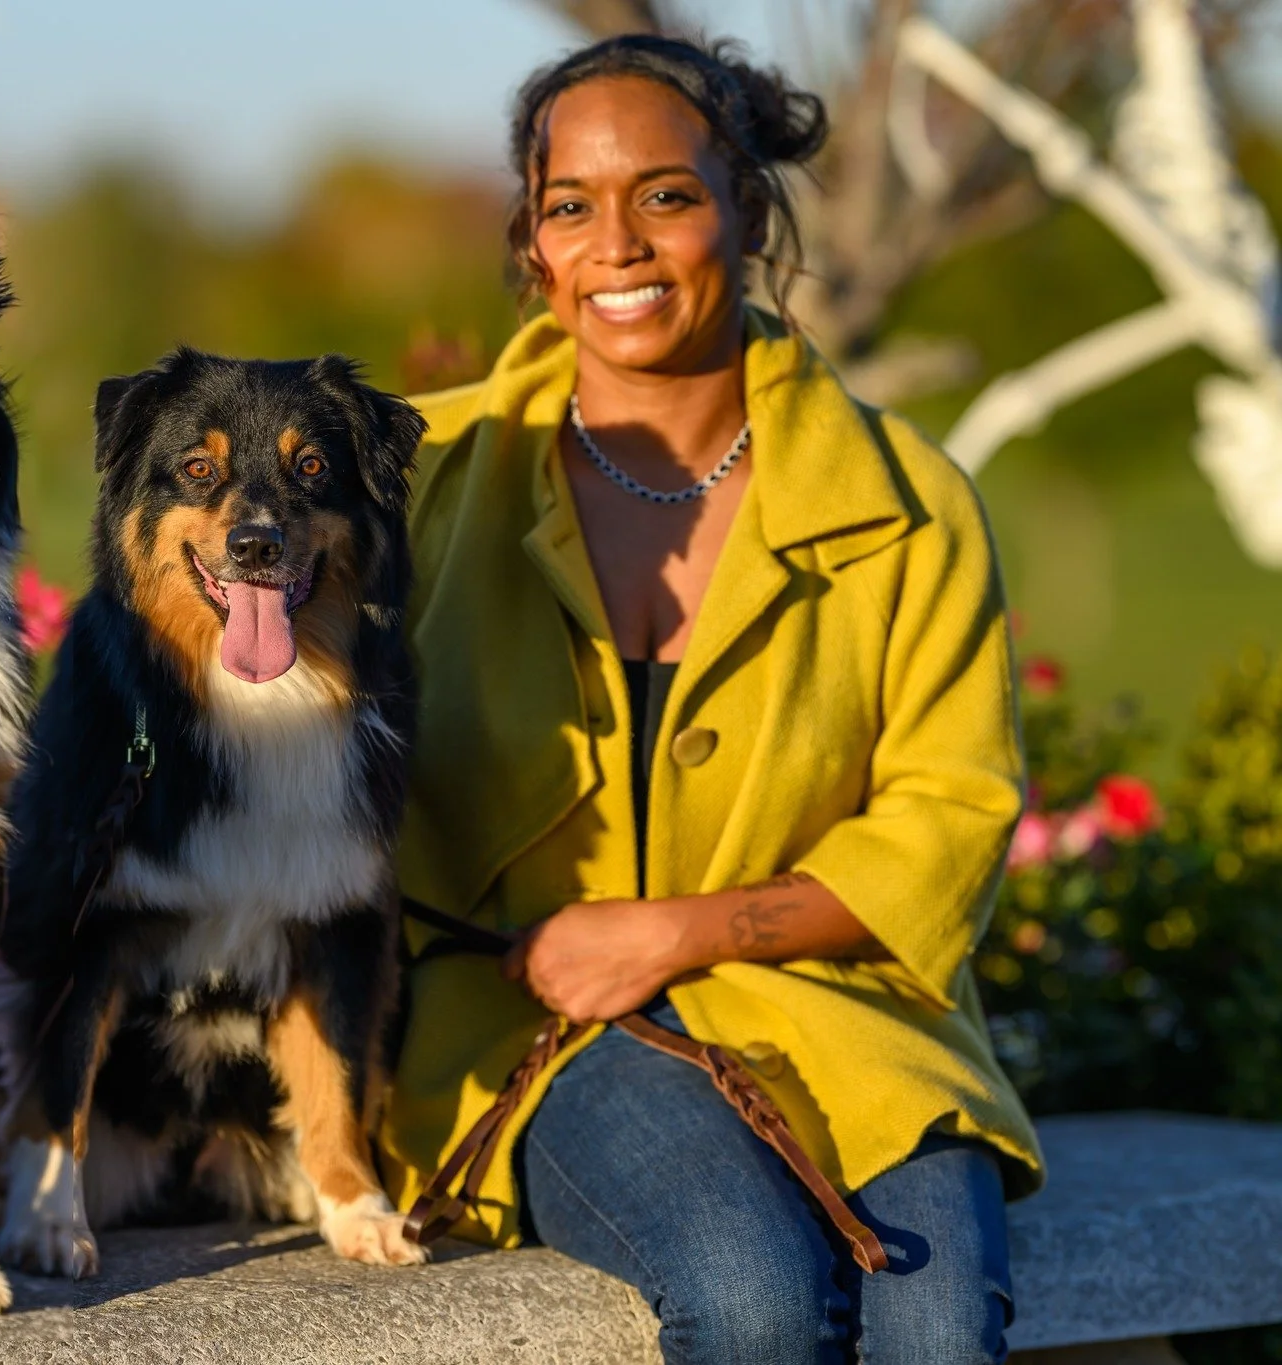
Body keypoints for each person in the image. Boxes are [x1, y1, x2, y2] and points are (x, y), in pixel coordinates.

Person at [377, 34, 1041, 1364]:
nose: (616, 245)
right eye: (572, 205)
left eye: (666, 196)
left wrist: (685, 930)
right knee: (750, 1298)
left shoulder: (909, 504)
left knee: (934, 1318)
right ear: (531, 241)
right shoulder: (416, 474)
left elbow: (948, 817)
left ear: (744, 207)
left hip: (840, 1008)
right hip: (533, 1019)